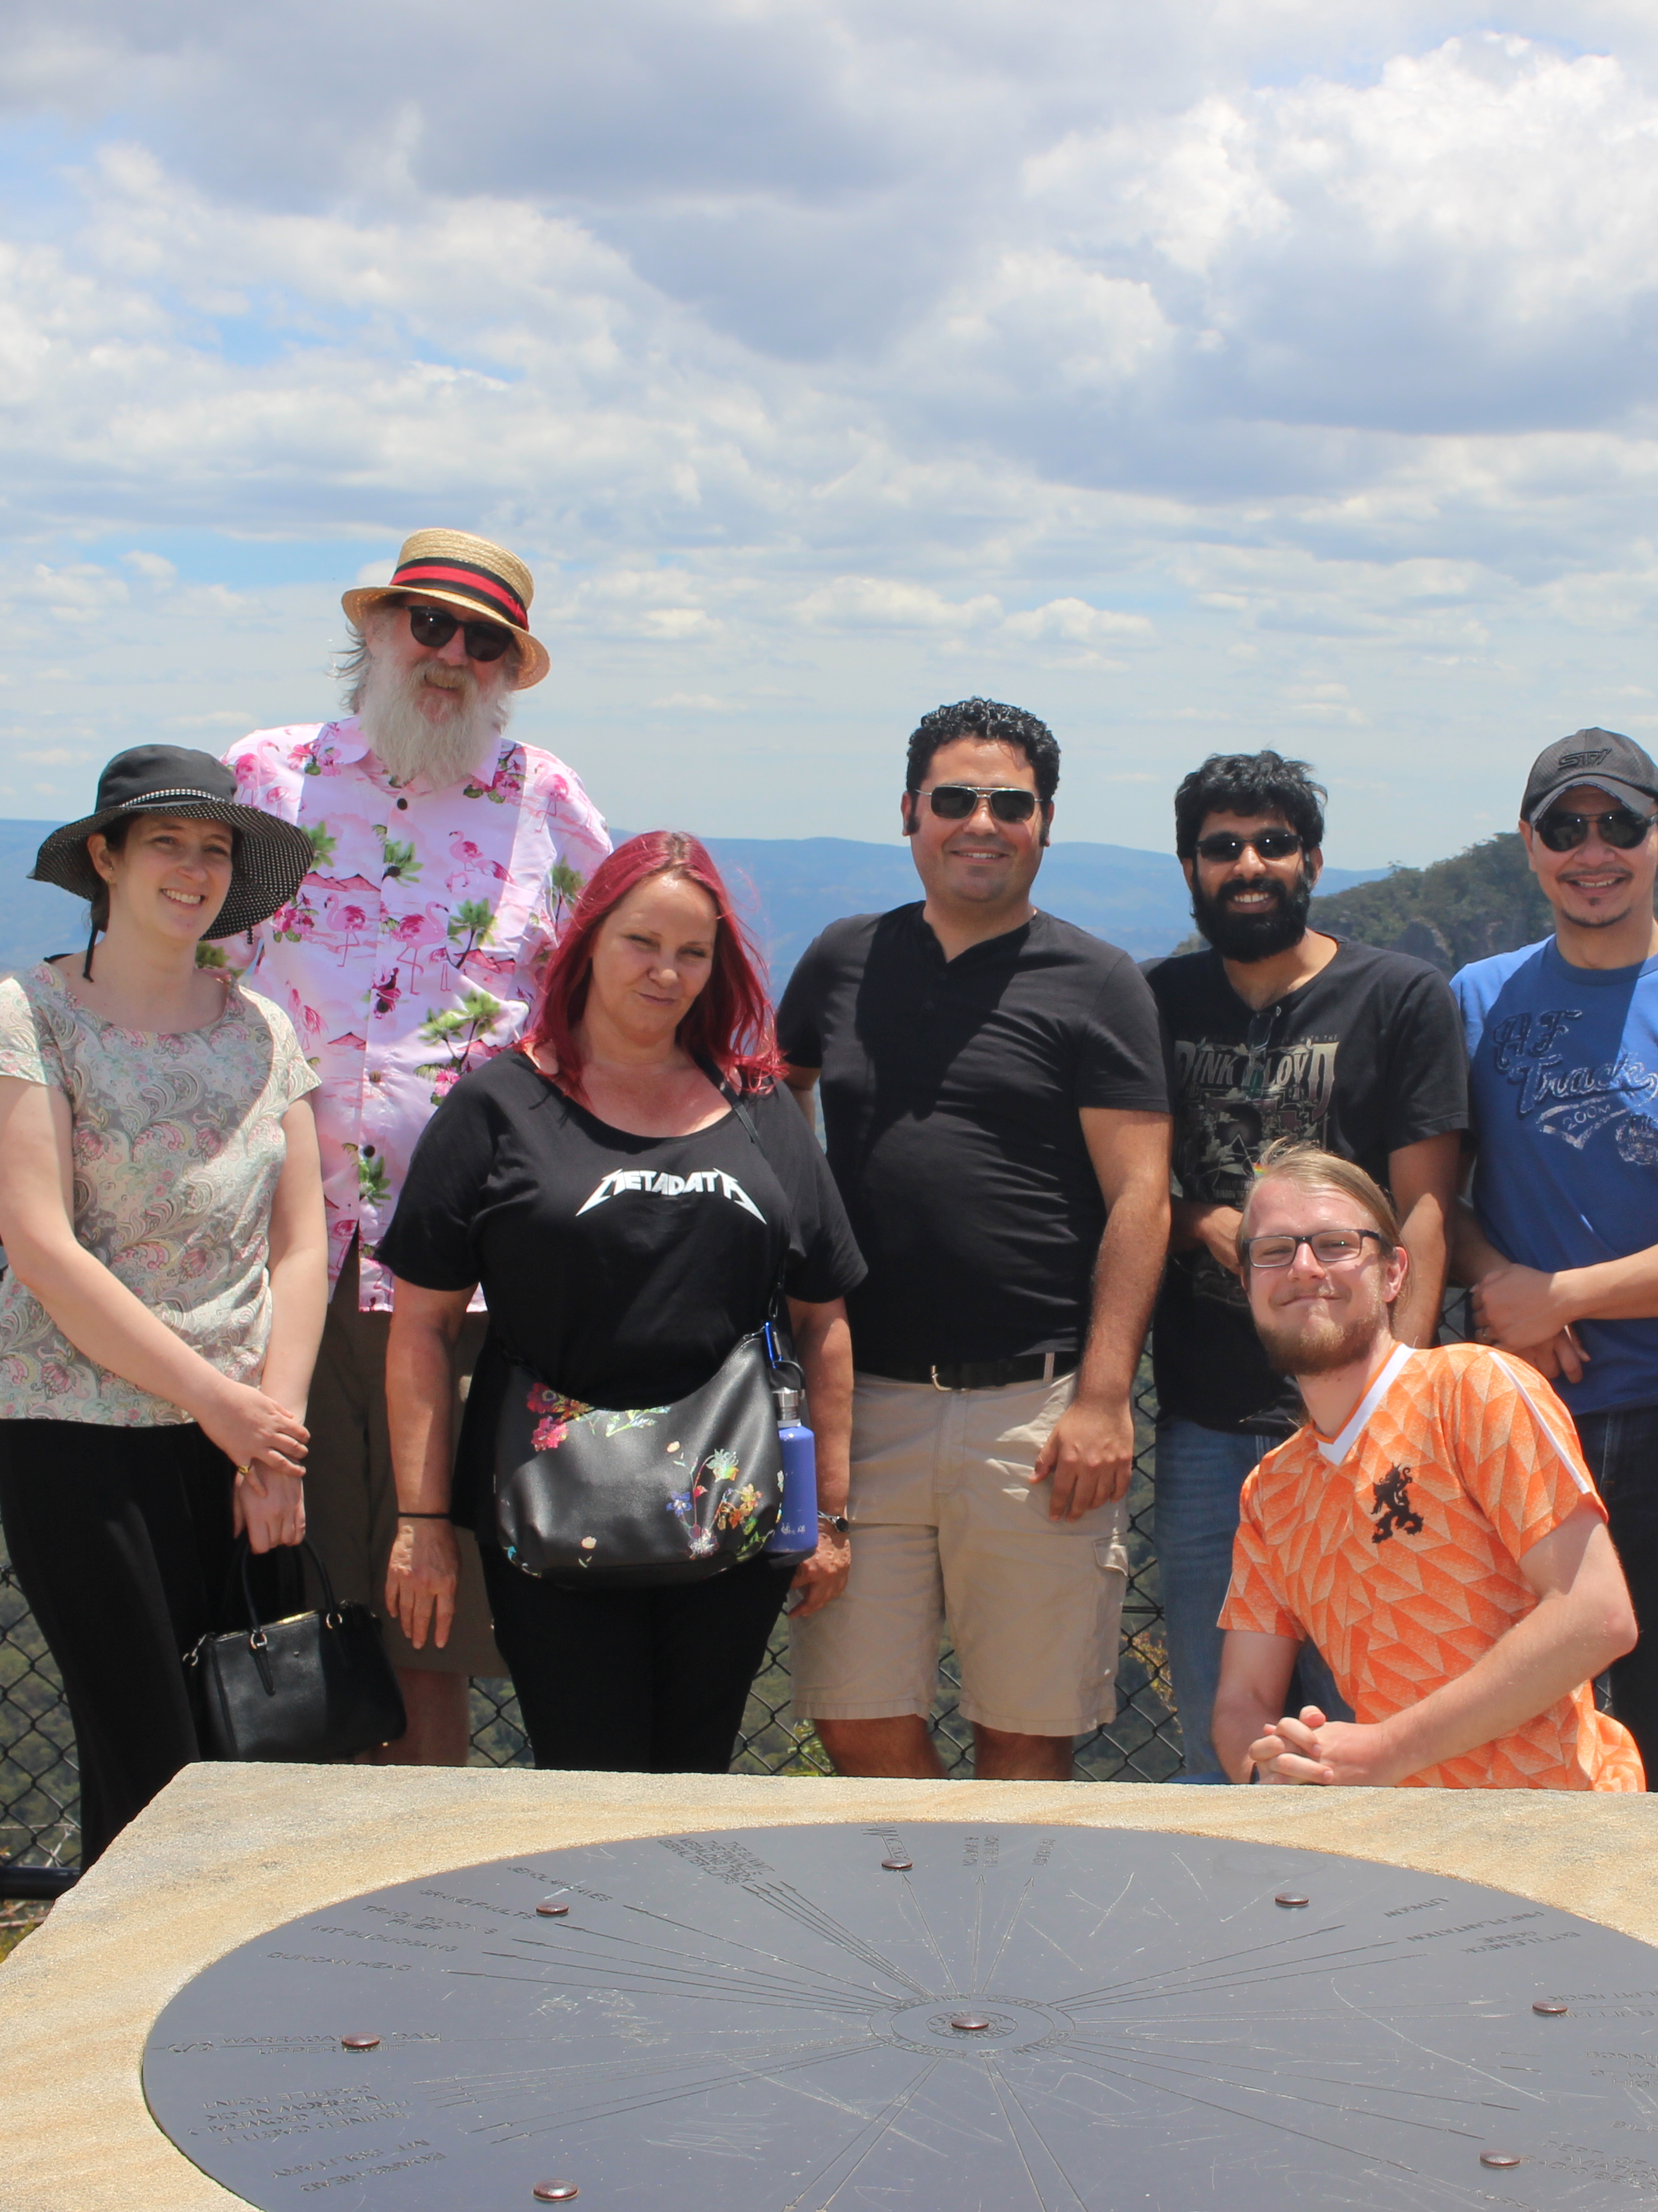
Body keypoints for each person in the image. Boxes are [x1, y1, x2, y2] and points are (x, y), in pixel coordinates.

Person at [225, 529, 613, 1767]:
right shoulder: (268, 777)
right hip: (267, 1250)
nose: (447, 655)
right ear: (377, 630)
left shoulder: (542, 797)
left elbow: (619, 983)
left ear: (507, 668)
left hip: (459, 1273)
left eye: (480, 639)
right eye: (426, 624)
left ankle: (428, 1904)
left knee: (422, 1606)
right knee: (282, 1592)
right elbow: (182, 967)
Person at [374, 833, 863, 1772]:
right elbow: (423, 1331)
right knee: (584, 1766)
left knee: (695, 1770)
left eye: (693, 952)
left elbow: (823, 1319)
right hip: (547, 1506)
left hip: (731, 1503)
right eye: (642, 942)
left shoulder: (760, 1112)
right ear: (587, 941)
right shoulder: (497, 1108)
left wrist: (830, 1517)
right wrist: (422, 1524)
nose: (666, 973)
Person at [777, 698, 1172, 1781]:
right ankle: (919, 1919)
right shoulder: (840, 960)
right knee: (853, 1716)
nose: (980, 823)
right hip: (865, 1408)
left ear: (1046, 822)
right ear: (909, 812)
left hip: (1033, 1413)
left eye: (1010, 803)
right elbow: (769, 1113)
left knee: (1025, 1729)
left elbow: (1141, 1196)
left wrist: (1101, 1399)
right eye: (954, 799)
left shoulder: (1096, 983)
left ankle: (999, 1940)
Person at [0, 746, 324, 1863]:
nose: (194, 868)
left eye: (215, 849)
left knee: (258, 1754)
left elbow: (303, 1247)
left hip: (246, 1440)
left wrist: (272, 1446)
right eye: (167, 841)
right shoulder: (30, 1019)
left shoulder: (261, 1028)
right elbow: (45, 1251)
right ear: (104, 857)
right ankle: (125, 2019)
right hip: (79, 1436)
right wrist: (222, 1405)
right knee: (147, 1760)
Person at [1449, 728, 1658, 1791]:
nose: (1589, 851)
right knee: (1498, 1716)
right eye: (1564, 827)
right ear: (1527, 843)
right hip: (1512, 1411)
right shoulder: (1475, 997)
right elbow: (1427, 1192)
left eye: (1617, 825)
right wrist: (1497, 1288)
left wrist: (1560, 1297)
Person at [1144, 749, 1467, 1781]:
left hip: (1358, 1430)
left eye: (1273, 845)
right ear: (1191, 867)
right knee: (1223, 1724)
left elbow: (1423, 1206)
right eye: (1222, 847)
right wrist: (1210, 1224)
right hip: (1206, 1422)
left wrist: (1395, 1404)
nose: (1249, 864)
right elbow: (1134, 1185)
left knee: (1376, 1714)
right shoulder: (1154, 1002)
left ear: (1312, 861)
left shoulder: (1399, 999)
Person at [1213, 1146, 1642, 1791]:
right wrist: (1269, 1773)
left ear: (1393, 1274)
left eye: (1335, 1244)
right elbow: (1241, 1698)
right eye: (1273, 1251)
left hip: (1560, 1825)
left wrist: (1385, 1750)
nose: (1303, 1267)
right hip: (1403, 1844)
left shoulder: (1471, 1388)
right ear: (1246, 1284)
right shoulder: (1272, 1492)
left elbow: (1597, 1615)